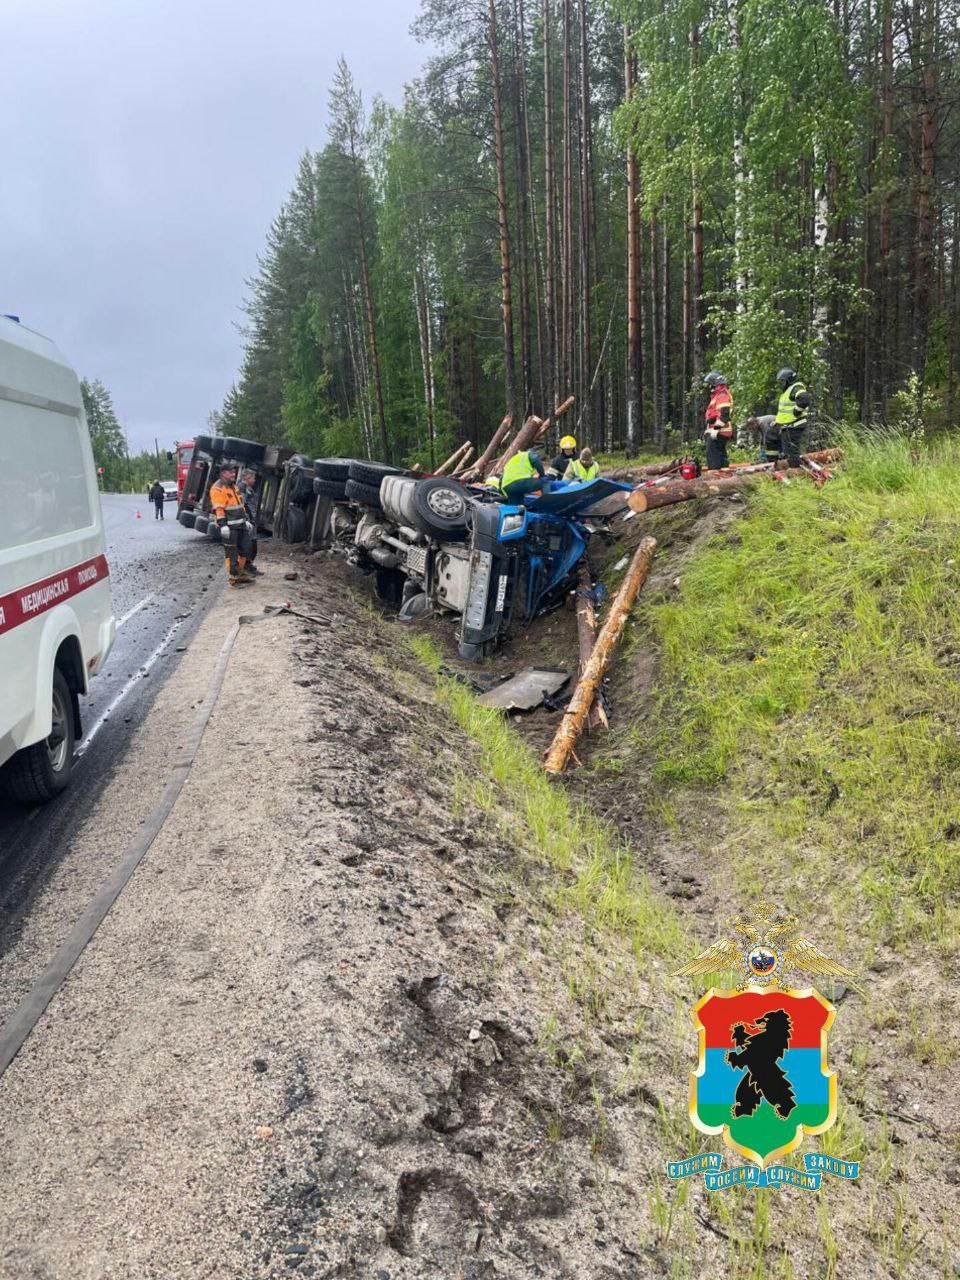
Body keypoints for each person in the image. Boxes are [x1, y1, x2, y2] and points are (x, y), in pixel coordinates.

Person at [209, 462, 254, 585]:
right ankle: (234, 578)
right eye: (231, 472)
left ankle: (240, 574)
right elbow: (219, 509)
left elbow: (240, 505)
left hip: (241, 525)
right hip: (229, 527)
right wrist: (223, 525)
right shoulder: (217, 488)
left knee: (246, 550)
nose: (234, 474)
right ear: (223, 473)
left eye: (234, 472)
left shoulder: (234, 487)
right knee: (231, 554)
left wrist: (246, 520)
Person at [774, 367, 812, 467]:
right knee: (789, 453)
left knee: (793, 454)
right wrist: (777, 421)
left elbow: (804, 399)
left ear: (789, 380)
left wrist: (797, 412)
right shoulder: (788, 390)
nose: (782, 383)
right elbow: (785, 410)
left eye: (783, 381)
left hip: (794, 426)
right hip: (788, 427)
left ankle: (798, 471)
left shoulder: (796, 387)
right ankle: (796, 470)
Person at [703, 371, 734, 470]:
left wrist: (716, 429)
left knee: (713, 455)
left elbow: (724, 415)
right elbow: (715, 414)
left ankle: (715, 474)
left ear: (715, 384)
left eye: (710, 384)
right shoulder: (719, 395)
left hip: (720, 430)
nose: (709, 387)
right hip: (719, 430)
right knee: (720, 454)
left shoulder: (722, 395)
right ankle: (724, 473)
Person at [238, 469, 264, 576]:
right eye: (253, 478)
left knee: (253, 545)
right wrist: (245, 520)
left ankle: (248, 566)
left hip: (251, 521)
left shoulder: (248, 488)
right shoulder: (242, 488)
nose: (254, 480)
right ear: (247, 477)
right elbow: (240, 505)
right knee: (248, 546)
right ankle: (245, 568)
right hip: (247, 522)